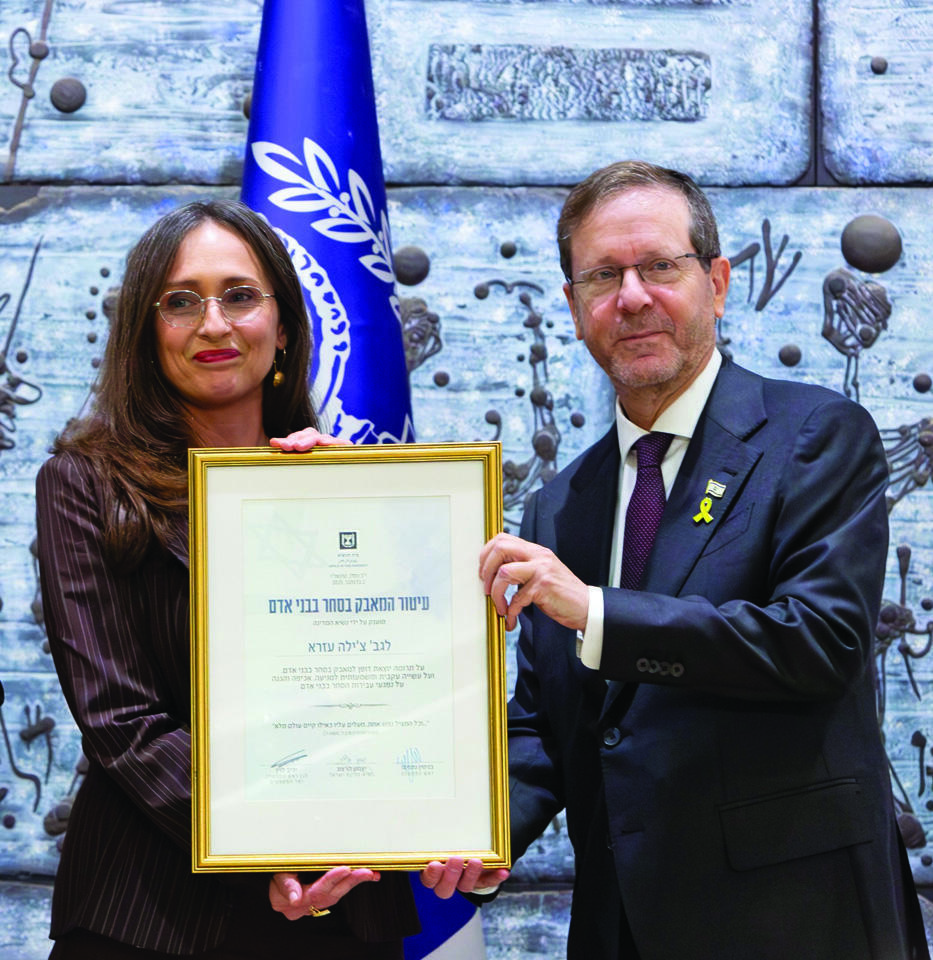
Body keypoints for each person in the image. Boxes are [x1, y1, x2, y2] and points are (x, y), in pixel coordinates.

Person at [478, 161, 931, 960]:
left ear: (716, 283)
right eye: (602, 276)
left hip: (798, 924)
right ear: (574, 308)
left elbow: (813, 641)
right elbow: (550, 725)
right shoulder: (561, 503)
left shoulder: (815, 438)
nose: (632, 297)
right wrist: (474, 836)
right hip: (623, 927)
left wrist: (596, 611)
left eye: (659, 266)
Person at [35, 199, 483, 959]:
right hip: (151, 915)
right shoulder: (85, 484)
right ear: (147, 333)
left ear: (282, 325)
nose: (213, 324)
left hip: (341, 908)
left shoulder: (353, 487)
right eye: (180, 301)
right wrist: (265, 844)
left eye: (240, 295)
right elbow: (120, 721)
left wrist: (391, 516)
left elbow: (408, 698)